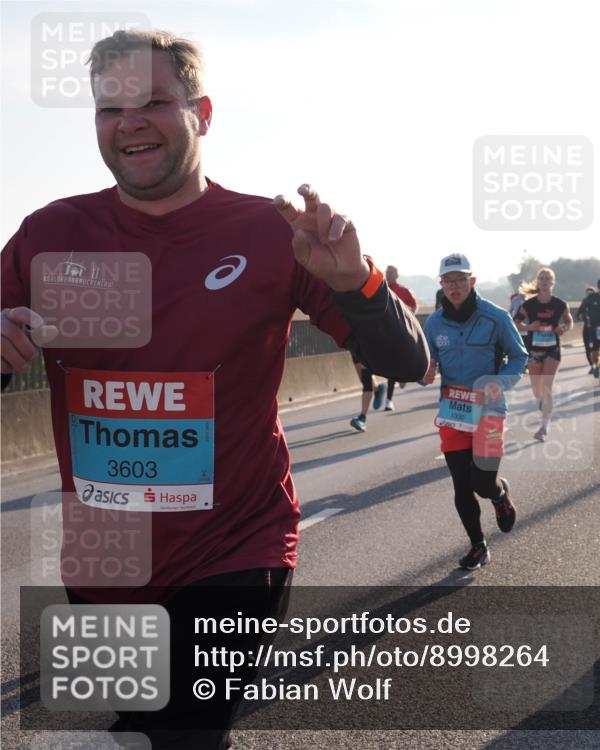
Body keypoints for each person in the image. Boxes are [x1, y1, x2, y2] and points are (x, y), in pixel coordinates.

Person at [0, 30, 428, 749]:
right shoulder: (50, 234)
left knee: (182, 736)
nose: (129, 122)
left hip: (236, 546)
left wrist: (355, 285)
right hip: (105, 558)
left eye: (154, 102)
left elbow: (408, 361)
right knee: (134, 726)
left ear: (201, 111)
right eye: (110, 109)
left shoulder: (273, 232)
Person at [422, 253, 526, 570]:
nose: (454, 287)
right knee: (461, 485)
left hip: (490, 410)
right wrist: (425, 372)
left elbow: (519, 357)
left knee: (482, 482)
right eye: (448, 281)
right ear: (441, 284)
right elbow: (427, 362)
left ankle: (498, 494)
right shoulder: (434, 322)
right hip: (454, 411)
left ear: (472, 281)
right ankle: (478, 546)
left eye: (460, 280)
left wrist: (499, 383)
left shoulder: (495, 317)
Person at [514, 267, 573, 441]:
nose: (545, 281)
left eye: (548, 279)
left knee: (547, 389)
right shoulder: (529, 305)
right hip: (534, 350)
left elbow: (569, 323)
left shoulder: (560, 304)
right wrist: (529, 327)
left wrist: (563, 328)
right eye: (542, 278)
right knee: (536, 390)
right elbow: (515, 323)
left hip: (552, 350)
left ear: (552, 283)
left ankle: (544, 427)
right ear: (538, 282)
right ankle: (543, 402)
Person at [383, 264, 419, 411]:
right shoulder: (381, 289)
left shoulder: (404, 291)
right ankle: (389, 398)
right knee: (390, 364)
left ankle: (390, 396)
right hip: (385, 332)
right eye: (387, 272)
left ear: (397, 275)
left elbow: (414, 306)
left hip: (401, 331)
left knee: (398, 362)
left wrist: (410, 318)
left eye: (392, 273)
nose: (389, 275)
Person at [577, 285, 596, 371]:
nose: (589, 295)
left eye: (591, 293)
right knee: (587, 347)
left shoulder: (598, 301)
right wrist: (579, 316)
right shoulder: (584, 301)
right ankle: (592, 366)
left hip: (596, 328)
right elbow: (578, 313)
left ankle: (597, 364)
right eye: (587, 293)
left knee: (596, 347)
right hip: (587, 327)